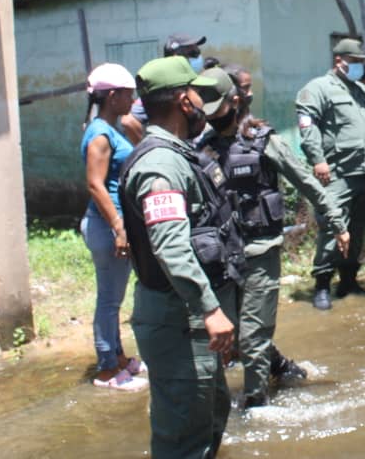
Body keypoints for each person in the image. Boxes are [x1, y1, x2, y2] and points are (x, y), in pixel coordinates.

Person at [198, 67, 348, 408]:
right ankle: (282, 369)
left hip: (259, 253)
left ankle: (256, 406)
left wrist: (338, 223)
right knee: (228, 337)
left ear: (234, 102)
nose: (208, 117)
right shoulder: (201, 149)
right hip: (220, 257)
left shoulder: (264, 141)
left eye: (215, 107)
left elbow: (307, 182)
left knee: (252, 338)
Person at [118, 56, 244, 458]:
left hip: (189, 320)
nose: (202, 102)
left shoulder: (179, 154)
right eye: (196, 92)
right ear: (183, 101)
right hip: (180, 321)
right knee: (185, 441)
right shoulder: (161, 166)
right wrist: (210, 310)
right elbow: (170, 245)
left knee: (210, 418)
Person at [296, 38, 365, 310]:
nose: (362, 67)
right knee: (332, 229)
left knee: (357, 228)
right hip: (336, 173)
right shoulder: (318, 88)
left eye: (363, 63)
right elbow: (307, 124)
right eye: (357, 62)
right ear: (340, 61)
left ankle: (348, 280)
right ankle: (322, 285)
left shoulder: (361, 88)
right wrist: (318, 160)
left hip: (363, 169)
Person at [80, 63, 148, 391]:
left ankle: (119, 359)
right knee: (109, 299)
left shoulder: (109, 128)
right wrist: (119, 228)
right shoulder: (100, 135)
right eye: (127, 94)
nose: (132, 99)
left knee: (114, 297)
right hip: (107, 227)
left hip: (113, 225)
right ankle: (107, 370)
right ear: (111, 96)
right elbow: (95, 185)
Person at [123, 32, 209, 143]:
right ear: (175, 57)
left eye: (197, 52)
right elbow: (128, 121)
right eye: (192, 53)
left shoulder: (196, 83)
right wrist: (148, 148)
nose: (197, 58)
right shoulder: (164, 90)